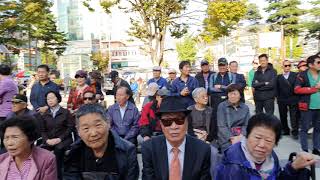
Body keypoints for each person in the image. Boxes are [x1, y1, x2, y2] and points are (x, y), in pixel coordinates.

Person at [215, 113, 316, 180]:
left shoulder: (271, 156)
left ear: (275, 143)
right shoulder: (233, 166)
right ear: (247, 136)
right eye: (257, 138)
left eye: (268, 140)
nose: (262, 145)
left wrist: (293, 167)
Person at [141, 96, 211, 180]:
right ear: (161, 124)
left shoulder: (202, 150)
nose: (174, 127)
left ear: (187, 122)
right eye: (167, 121)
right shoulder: (149, 148)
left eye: (179, 120)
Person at [64, 104, 139, 180]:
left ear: (108, 123)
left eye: (98, 125)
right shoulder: (74, 152)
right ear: (78, 131)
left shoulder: (127, 150)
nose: (93, 133)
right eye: (86, 128)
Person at [36, 90, 75, 179]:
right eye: (48, 99)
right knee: (40, 150)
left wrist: (59, 139)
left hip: (63, 140)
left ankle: (57, 176)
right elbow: (42, 130)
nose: (50, 100)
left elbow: (70, 128)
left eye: (52, 98)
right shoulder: (44, 114)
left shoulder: (65, 112)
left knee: (58, 149)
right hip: (49, 140)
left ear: (58, 98)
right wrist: (47, 140)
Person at [294, 55, 320, 155]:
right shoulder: (302, 75)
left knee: (318, 129)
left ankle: (316, 148)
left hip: (319, 107)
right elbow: (297, 89)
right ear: (310, 65)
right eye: (318, 62)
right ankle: (304, 149)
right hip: (307, 107)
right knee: (304, 128)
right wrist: (314, 89)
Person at [217, 84, 250, 152]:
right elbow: (222, 126)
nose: (232, 96)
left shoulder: (245, 108)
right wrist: (232, 138)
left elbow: (247, 125)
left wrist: (241, 136)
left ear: (240, 95)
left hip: (241, 136)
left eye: (235, 94)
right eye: (230, 93)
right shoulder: (222, 106)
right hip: (226, 138)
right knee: (231, 153)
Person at [209, 57, 235, 139]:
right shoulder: (213, 76)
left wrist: (220, 86)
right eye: (220, 65)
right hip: (215, 102)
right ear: (218, 66)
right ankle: (217, 138)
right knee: (216, 120)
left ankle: (228, 137)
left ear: (227, 66)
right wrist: (226, 88)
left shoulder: (232, 76)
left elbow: (232, 88)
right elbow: (211, 89)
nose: (222, 67)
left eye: (224, 65)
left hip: (228, 101)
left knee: (228, 119)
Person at [276, 60, 299, 138]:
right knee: (283, 115)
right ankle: (285, 130)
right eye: (286, 65)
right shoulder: (278, 77)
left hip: (293, 98)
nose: (288, 67)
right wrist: (277, 98)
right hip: (282, 99)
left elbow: (297, 86)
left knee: (294, 116)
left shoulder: (295, 75)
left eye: (289, 65)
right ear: (282, 67)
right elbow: (276, 88)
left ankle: (295, 131)